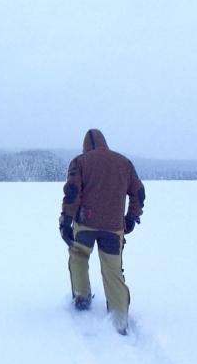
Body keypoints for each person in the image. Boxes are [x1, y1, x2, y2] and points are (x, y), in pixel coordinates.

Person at [59, 129, 145, 335]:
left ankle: (81, 297)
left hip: (85, 224)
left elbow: (72, 192)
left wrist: (66, 220)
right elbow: (139, 193)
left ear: (86, 146)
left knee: (78, 255)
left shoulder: (79, 162)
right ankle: (119, 318)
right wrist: (131, 218)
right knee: (113, 270)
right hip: (114, 228)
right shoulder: (124, 163)